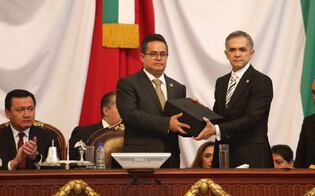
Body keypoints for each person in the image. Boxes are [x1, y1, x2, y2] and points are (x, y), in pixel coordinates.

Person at [195, 31, 273, 168]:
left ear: (251, 53)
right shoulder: (221, 82)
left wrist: (216, 129)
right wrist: (201, 113)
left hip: (251, 157)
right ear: (226, 54)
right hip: (223, 155)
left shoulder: (261, 81)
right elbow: (220, 116)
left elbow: (251, 118)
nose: (237, 54)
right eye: (232, 50)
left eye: (242, 49)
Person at [116, 33, 189, 168]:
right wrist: (167, 123)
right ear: (142, 57)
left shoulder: (178, 88)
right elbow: (130, 115)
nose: (158, 58)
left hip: (170, 159)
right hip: (140, 158)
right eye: (153, 54)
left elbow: (178, 123)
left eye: (163, 54)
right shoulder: (128, 83)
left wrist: (195, 118)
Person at [0, 89, 59, 170]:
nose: (27, 115)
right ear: (7, 113)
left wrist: (36, 157)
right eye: (20, 110)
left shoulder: (49, 137)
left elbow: (57, 172)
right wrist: (14, 162)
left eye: (31, 109)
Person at [68, 91, 121, 160]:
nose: (126, 112)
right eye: (121, 108)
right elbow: (71, 162)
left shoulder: (130, 135)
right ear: (106, 111)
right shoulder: (83, 133)